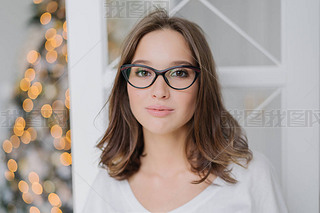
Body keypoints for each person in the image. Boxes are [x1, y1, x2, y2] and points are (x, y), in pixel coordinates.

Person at [82, 8, 288, 213]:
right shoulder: (106, 187)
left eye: (179, 73)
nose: (159, 91)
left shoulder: (251, 176)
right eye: (143, 72)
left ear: (202, 85)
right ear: (125, 86)